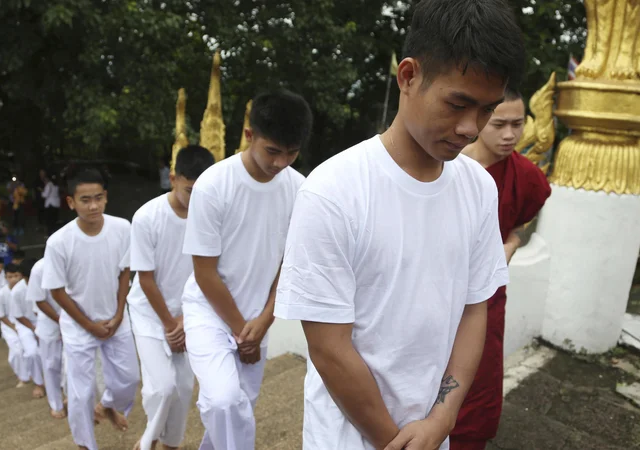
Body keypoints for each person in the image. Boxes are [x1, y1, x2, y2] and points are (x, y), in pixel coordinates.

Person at [272, 1, 525, 449]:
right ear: (408, 76)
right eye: (458, 103)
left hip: (430, 431)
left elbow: (473, 308)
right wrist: (395, 440)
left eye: (486, 110)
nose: (471, 128)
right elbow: (329, 348)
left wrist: (442, 419)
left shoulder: (478, 188)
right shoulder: (333, 191)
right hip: (348, 436)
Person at [182, 89, 311, 449]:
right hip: (210, 313)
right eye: (273, 151)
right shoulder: (213, 185)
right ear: (251, 136)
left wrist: (264, 321)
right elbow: (204, 272)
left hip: (258, 320)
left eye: (292, 152)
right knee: (224, 401)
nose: (282, 162)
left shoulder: (301, 190)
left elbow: (290, 265)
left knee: (234, 414)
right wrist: (242, 332)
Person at [453, 90, 552, 450]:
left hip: (487, 296)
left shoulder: (525, 176)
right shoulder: (448, 166)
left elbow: (521, 220)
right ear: (480, 121)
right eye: (499, 124)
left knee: (478, 386)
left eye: (518, 124)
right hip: (438, 290)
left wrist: (511, 243)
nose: (510, 135)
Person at [42, 168, 139, 450]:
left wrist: (120, 314)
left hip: (116, 319)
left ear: (106, 197)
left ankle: (107, 405)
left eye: (98, 198)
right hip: (78, 327)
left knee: (129, 379)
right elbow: (57, 291)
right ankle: (85, 444)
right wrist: (88, 325)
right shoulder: (59, 241)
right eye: (85, 200)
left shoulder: (122, 228)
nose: (93, 205)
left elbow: (125, 271)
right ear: (71, 202)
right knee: (80, 393)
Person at [129, 145, 215, 450]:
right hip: (149, 312)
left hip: (188, 312)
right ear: (174, 177)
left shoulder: (211, 216)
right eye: (191, 190)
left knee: (183, 388)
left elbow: (209, 272)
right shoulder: (146, 217)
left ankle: (170, 444)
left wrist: (183, 320)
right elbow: (146, 278)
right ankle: (147, 442)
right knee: (162, 388)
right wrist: (169, 323)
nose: (196, 199)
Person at [28, 253, 68, 419]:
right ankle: (56, 404)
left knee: (73, 362)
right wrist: (60, 320)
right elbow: (39, 300)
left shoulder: (75, 259)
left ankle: (71, 398)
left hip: (77, 321)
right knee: (51, 365)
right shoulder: (39, 269)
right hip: (50, 322)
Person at [11, 260, 46, 399]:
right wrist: (34, 329)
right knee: (32, 353)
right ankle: (39, 383)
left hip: (44, 320)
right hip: (25, 324)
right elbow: (18, 316)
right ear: (23, 276)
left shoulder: (45, 283)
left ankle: (60, 381)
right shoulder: (17, 291)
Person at [0, 264, 31, 387]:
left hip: (25, 322)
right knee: (16, 352)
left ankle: (33, 373)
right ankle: (22, 377)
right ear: (5, 277)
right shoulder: (0, 294)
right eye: (10, 277)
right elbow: (1, 315)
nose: (13, 279)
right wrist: (13, 327)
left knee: (30, 350)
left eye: (16, 276)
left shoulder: (26, 288)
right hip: (9, 326)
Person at [42, 172, 61, 236]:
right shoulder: (56, 184)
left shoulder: (49, 185)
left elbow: (45, 195)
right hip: (56, 204)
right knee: (54, 220)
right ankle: (55, 234)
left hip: (50, 204)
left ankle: (49, 234)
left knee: (49, 220)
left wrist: (42, 192)